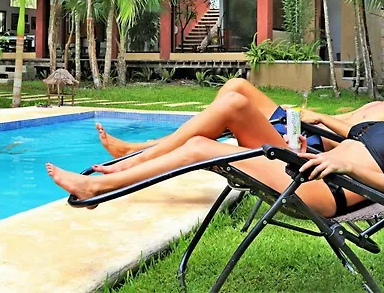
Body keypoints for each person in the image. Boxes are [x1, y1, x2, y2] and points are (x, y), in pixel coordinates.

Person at [46, 83, 384, 218]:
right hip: (308, 165)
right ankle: (133, 158)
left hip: (328, 188)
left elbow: (362, 163)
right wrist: (318, 133)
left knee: (199, 146)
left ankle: (99, 186)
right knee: (235, 97)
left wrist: (350, 168)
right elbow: (351, 137)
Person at [95, 78, 384, 159]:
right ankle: (145, 147)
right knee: (237, 86)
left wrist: (321, 118)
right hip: (306, 128)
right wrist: (322, 117)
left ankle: (141, 152)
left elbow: (362, 140)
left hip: (308, 146)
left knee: (232, 107)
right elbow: (350, 118)